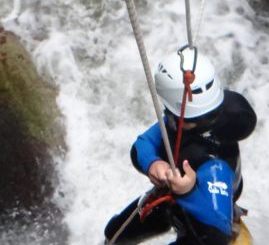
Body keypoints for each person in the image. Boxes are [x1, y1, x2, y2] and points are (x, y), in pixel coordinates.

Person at [104, 51, 257, 244]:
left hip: (203, 226)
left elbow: (217, 234)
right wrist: (153, 163)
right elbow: (143, 144)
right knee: (115, 233)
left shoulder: (215, 166)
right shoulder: (178, 122)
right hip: (172, 200)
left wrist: (189, 192)